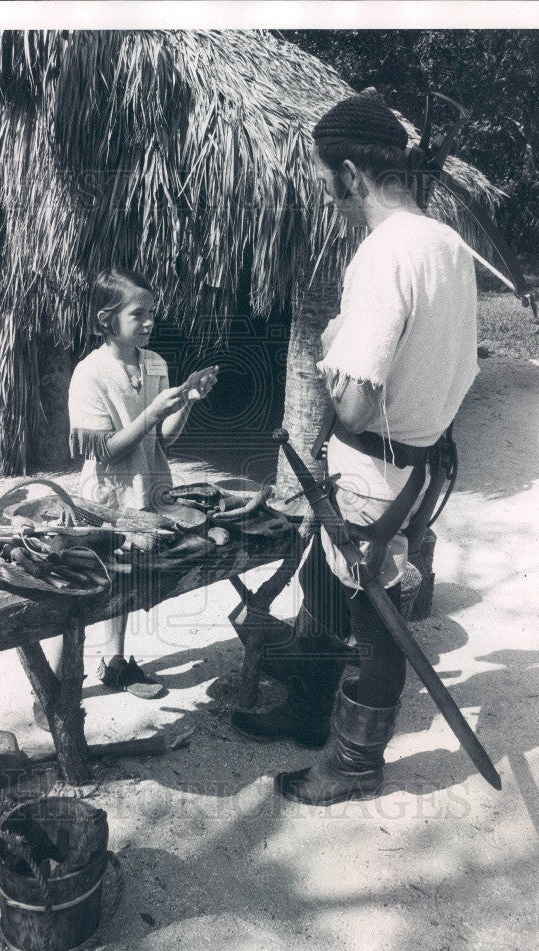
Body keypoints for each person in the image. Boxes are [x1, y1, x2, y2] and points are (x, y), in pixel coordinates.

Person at [232, 91, 478, 805]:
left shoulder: (382, 254)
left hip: (376, 460)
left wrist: (332, 357)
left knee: (374, 620)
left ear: (349, 174)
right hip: (420, 462)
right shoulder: (445, 245)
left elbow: (354, 401)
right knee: (323, 583)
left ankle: (354, 764)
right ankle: (307, 714)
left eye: (324, 182)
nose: (328, 197)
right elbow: (462, 363)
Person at [39, 267, 217, 714]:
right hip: (105, 499)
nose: (150, 321)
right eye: (139, 314)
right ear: (106, 319)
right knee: (86, 590)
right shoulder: (90, 374)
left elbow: (165, 440)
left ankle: (115, 663)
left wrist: (187, 403)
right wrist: (153, 412)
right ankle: (56, 689)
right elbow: (107, 454)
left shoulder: (154, 363)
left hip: (149, 491)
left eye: (153, 313)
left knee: (127, 582)